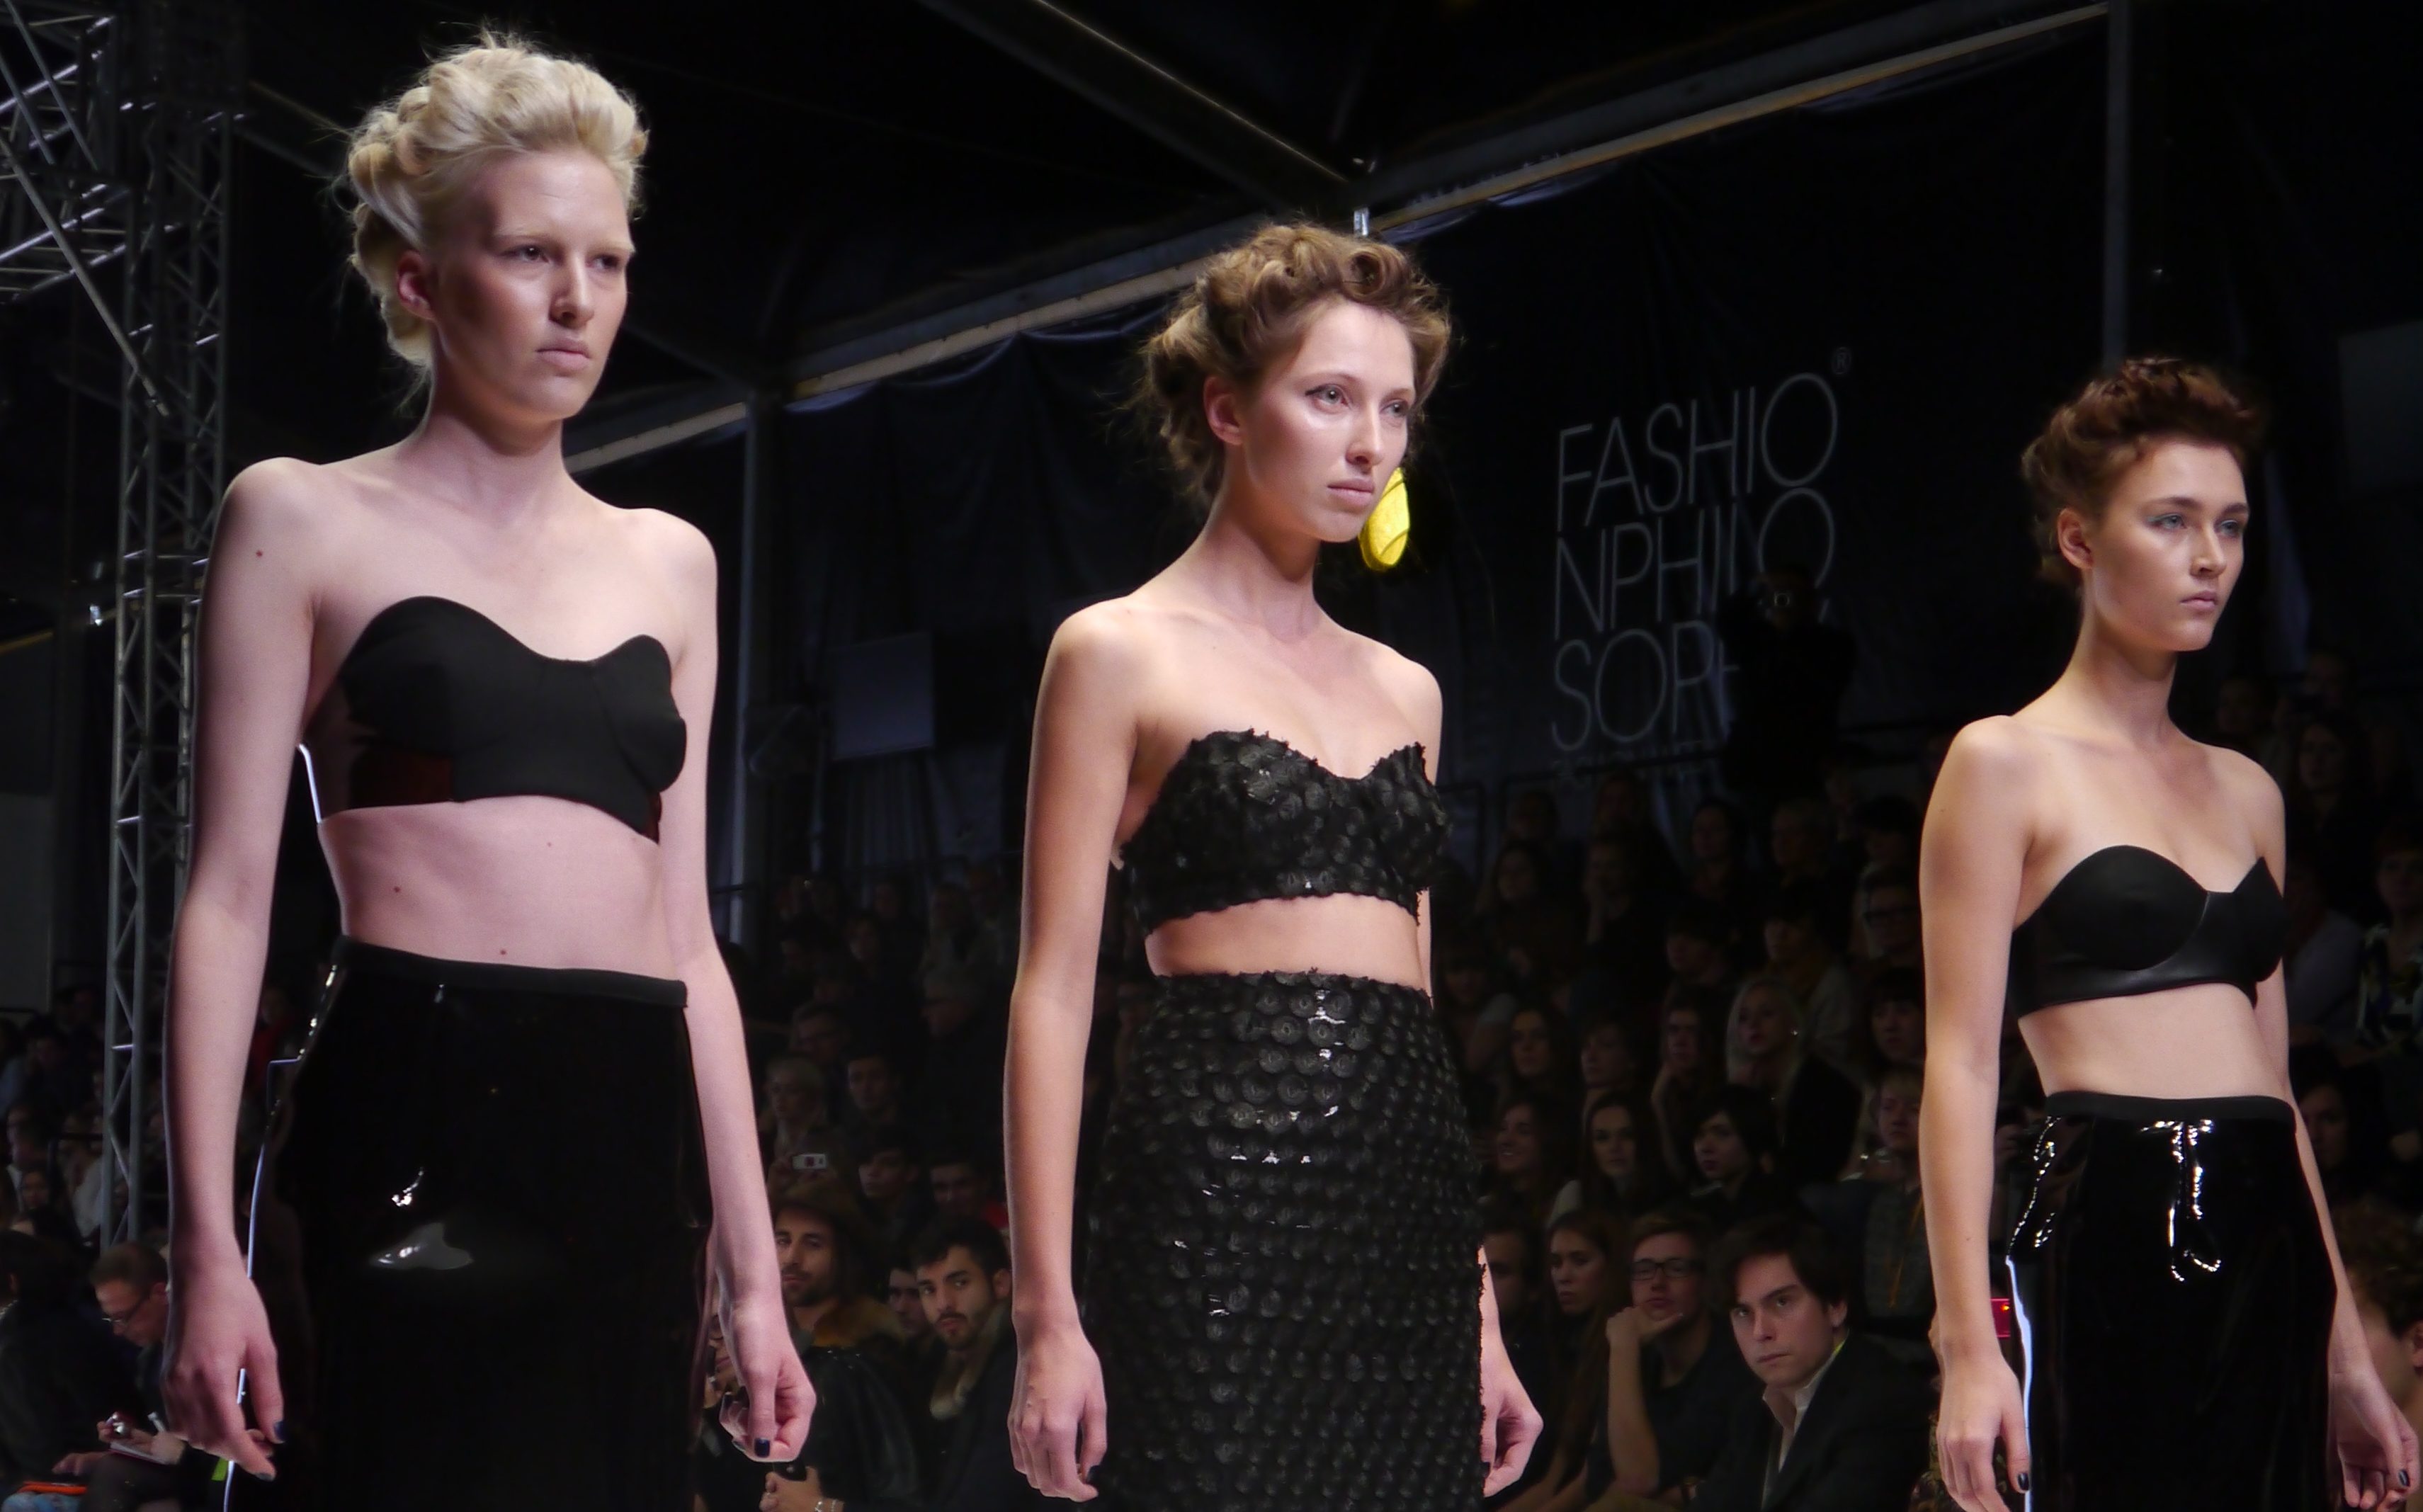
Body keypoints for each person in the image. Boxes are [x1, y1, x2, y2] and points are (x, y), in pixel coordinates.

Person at [159, 39, 812, 1507]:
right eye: (530, 254)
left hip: (632, 1125)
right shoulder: (300, 519)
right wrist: (204, 1248)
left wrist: (757, 1276)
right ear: (420, 280)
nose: (578, 300)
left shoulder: (673, 563)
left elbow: (690, 941)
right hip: (407, 1094)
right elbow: (228, 898)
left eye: (607, 261)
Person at [1001, 222, 1539, 1508]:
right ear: (1228, 409)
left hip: (1404, 1226)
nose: (1371, 444)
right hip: (1213, 1217)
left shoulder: (1407, 690)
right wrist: (1045, 1318)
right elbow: (1052, 993)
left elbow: (1415, 1006)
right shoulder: (1117, 651)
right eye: (1331, 397)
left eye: (1396, 408)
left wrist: (1476, 1308)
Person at [1922, 358, 2413, 1512]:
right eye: (2171, 521)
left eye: (2230, 526)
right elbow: (1960, 1062)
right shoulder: (2002, 761)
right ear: (2079, 540)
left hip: (2271, 1216)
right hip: (2109, 1203)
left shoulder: (2250, 790)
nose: (2211, 559)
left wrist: (2348, 1357)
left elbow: (2276, 1084)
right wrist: (1965, 1347)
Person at [1692, 1215, 1931, 1511]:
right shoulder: (1753, 1408)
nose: (1760, 1331)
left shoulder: (1885, 1404)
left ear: (1836, 1306)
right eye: (1743, 1312)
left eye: (1781, 1302)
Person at [1592, 1209, 1757, 1501]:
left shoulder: (1734, 1364)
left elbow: (1638, 1479)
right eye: (1644, 1270)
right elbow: (1597, 1475)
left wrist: (1623, 1348)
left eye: (1676, 1268)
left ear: (1706, 1282)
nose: (1657, 1282)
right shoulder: (1638, 1359)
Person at [45, 1244, 214, 1512]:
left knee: (114, 1475)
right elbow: (165, 1439)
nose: (118, 1331)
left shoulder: (212, 1357)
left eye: (123, 1317)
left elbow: (234, 1463)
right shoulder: (150, 1362)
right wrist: (138, 1442)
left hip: (216, 1485)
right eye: (111, 1319)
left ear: (160, 1294)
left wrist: (184, 1456)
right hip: (184, 1476)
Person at [912, 1218, 1042, 1512]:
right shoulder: (934, 1366)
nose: (943, 1303)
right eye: (929, 1289)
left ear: (1001, 1284)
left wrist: (830, 1507)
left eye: (960, 1283)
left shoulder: (1019, 1371)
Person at [1724, 977, 1859, 1189]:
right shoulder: (1744, 1085)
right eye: (1743, 1018)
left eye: (1767, 1014)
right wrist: (1739, 1100)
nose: (1753, 1025)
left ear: (1793, 1023)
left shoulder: (1824, 1084)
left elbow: (1813, 1167)